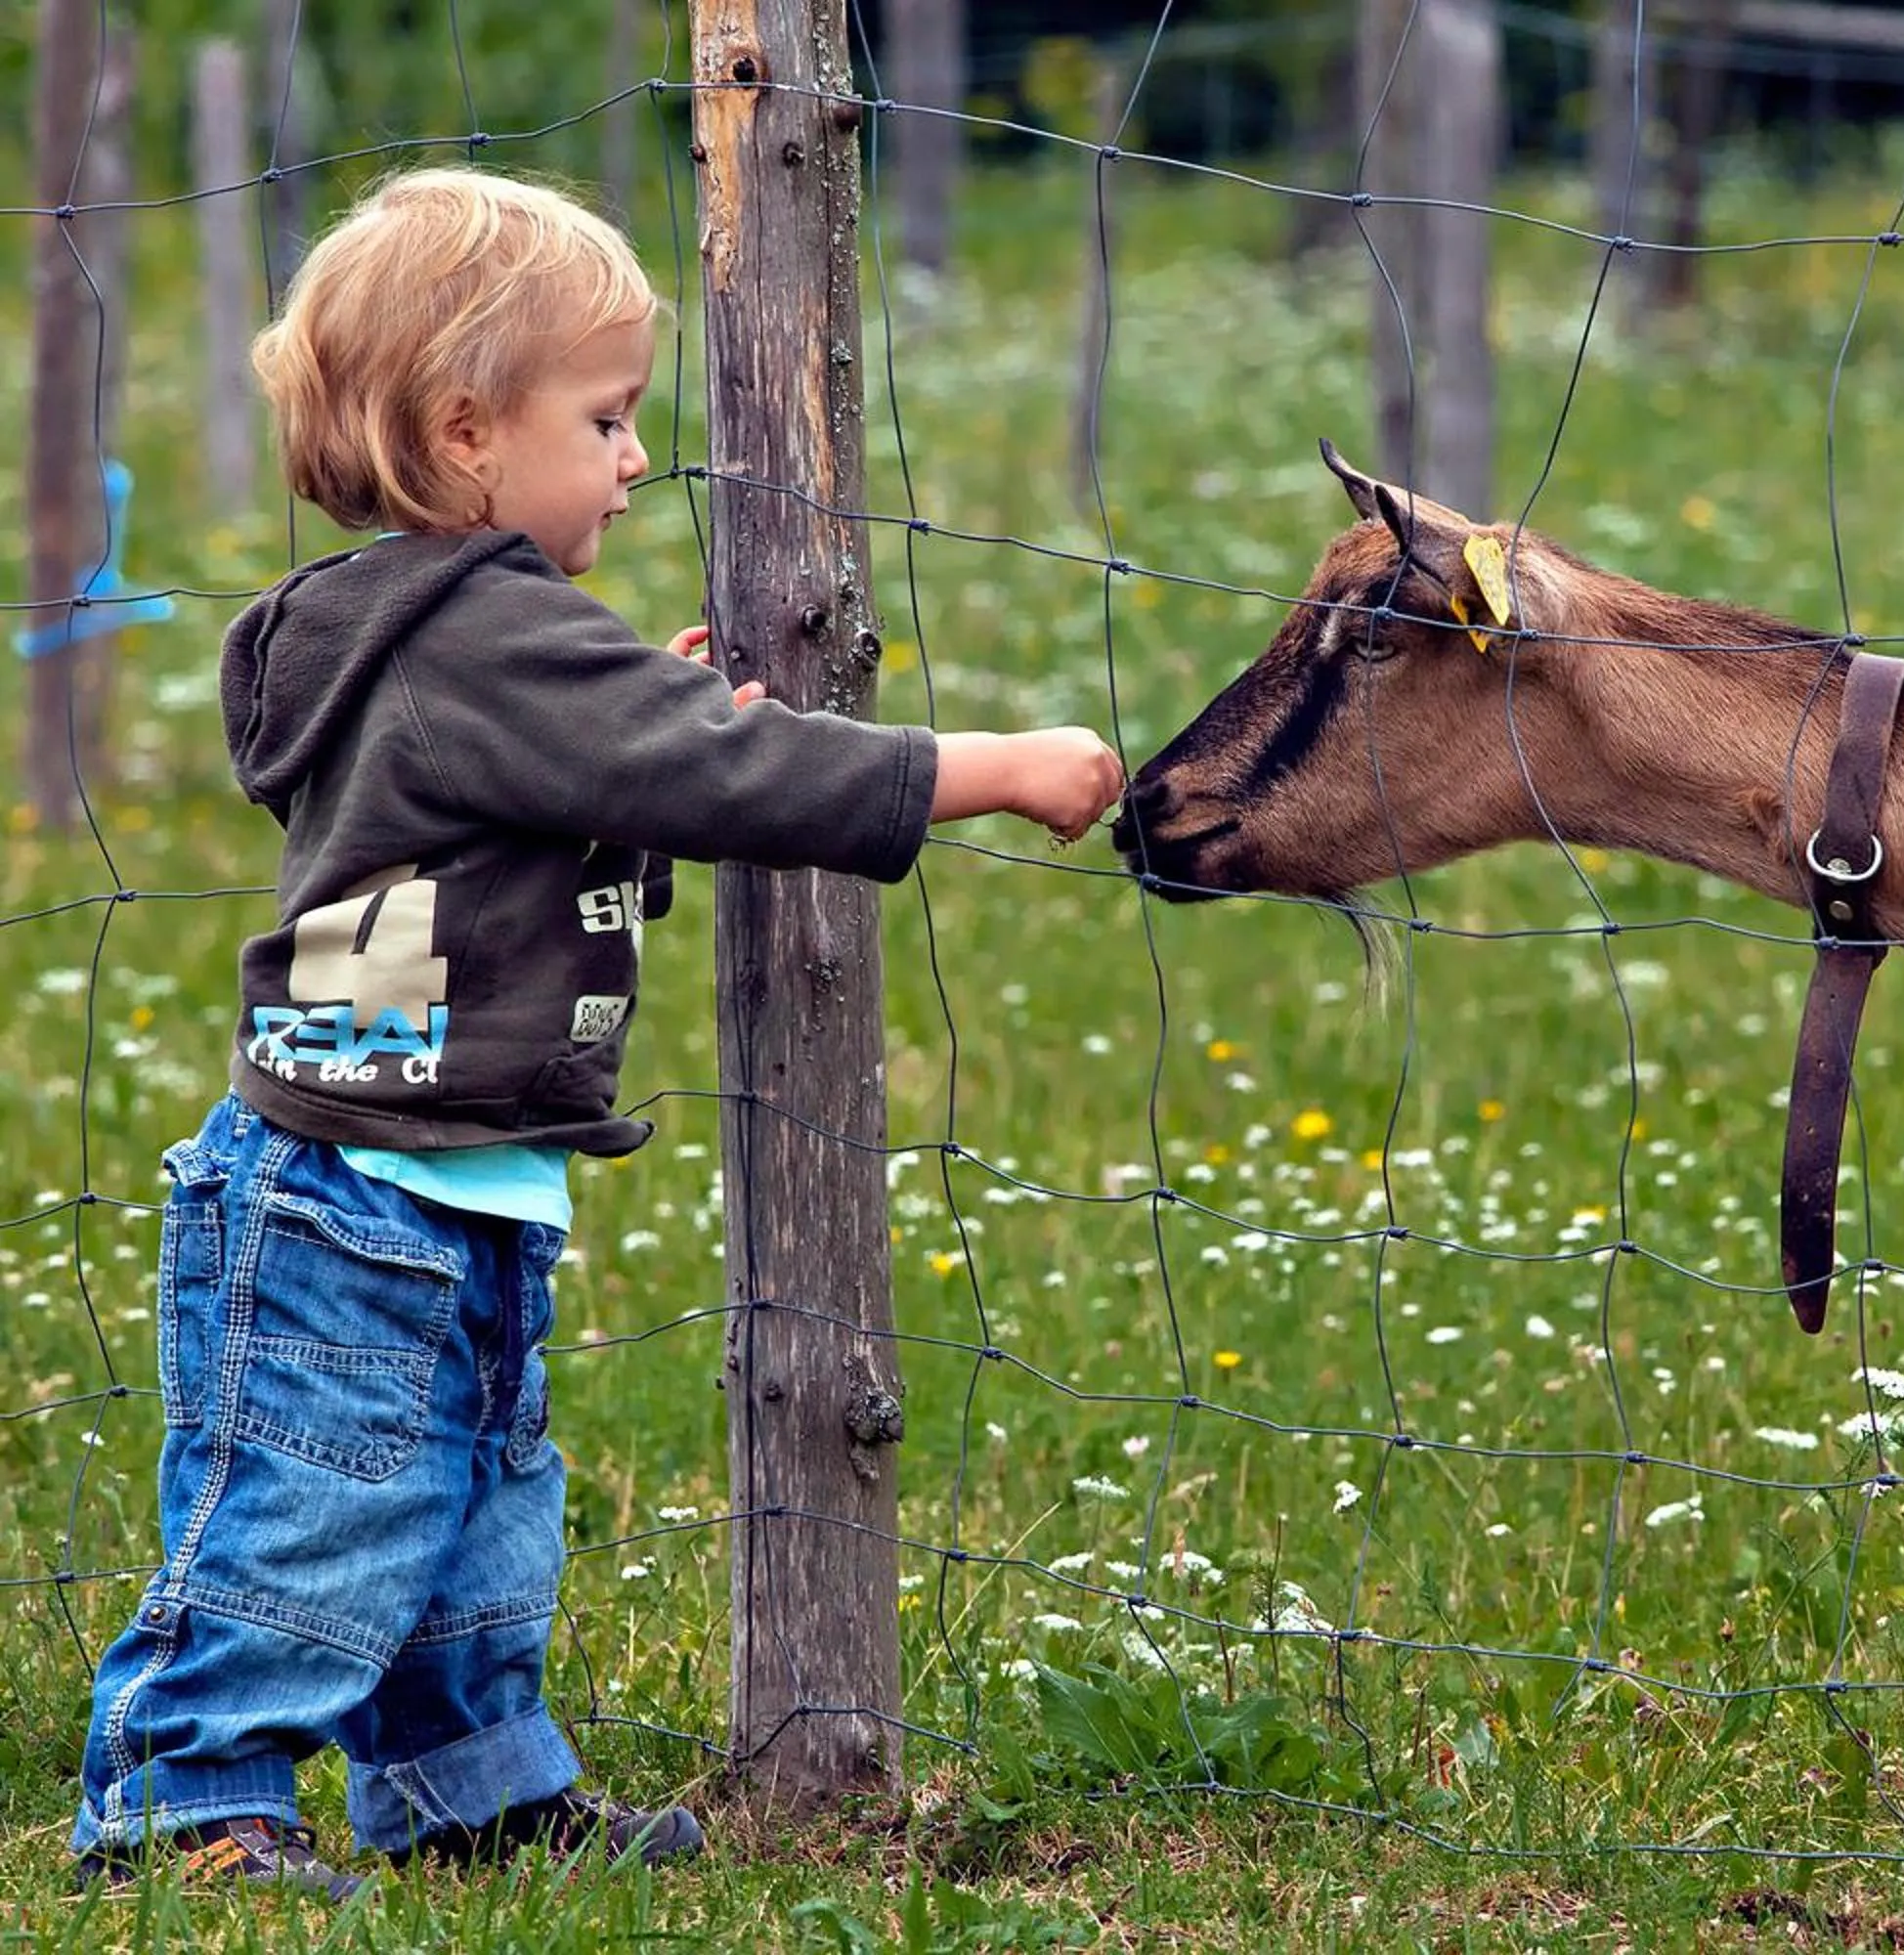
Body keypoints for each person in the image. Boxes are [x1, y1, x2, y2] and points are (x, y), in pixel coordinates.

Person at [67, 166, 1123, 1899]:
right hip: (356, 1198)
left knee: (471, 1531)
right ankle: (181, 1810)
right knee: (307, 1518)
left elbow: (554, 820)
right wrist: (985, 774)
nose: (639, 460)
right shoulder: (483, 639)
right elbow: (718, 770)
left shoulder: (433, 640)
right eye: (611, 419)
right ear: (469, 434)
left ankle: (470, 1790)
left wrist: (645, 722)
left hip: (421, 1170)